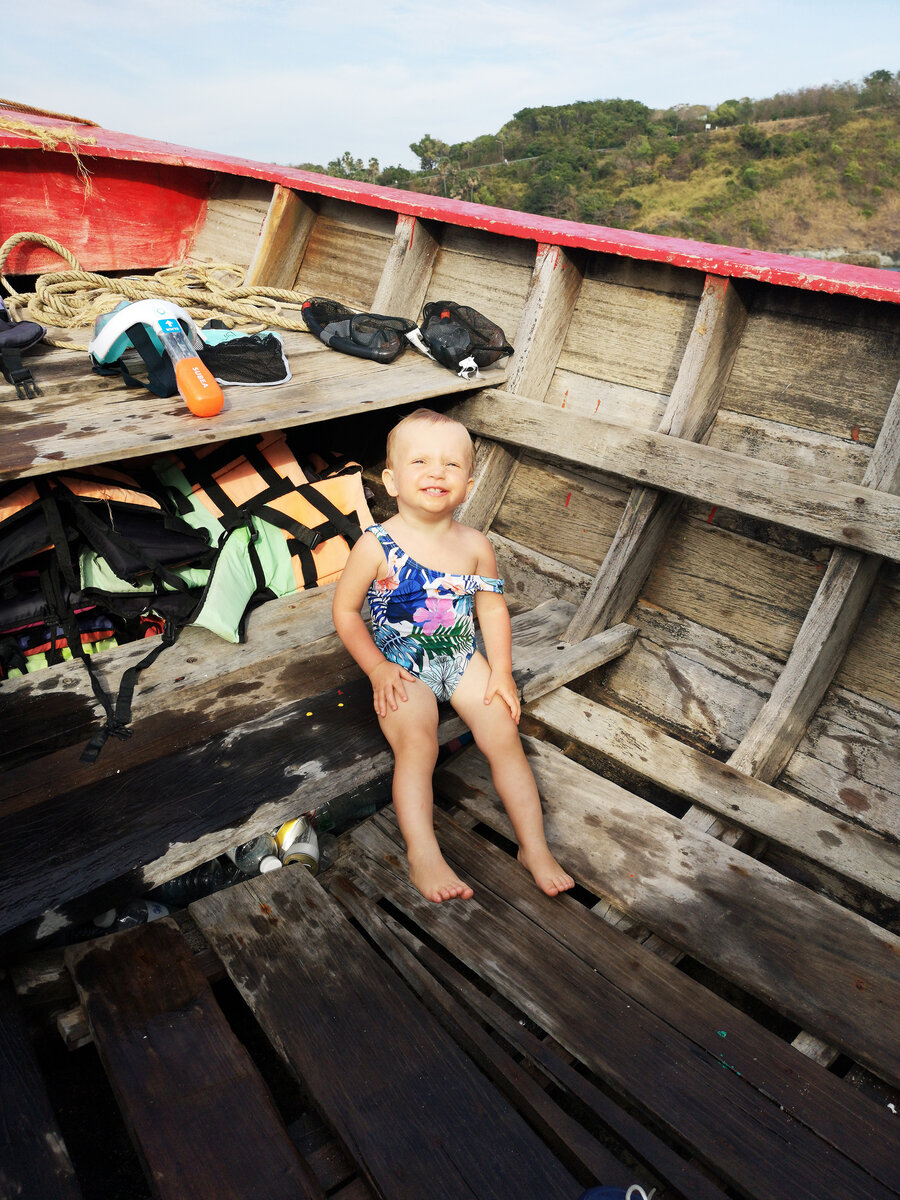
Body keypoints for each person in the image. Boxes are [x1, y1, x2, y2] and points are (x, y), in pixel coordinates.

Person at [332, 407, 575, 904]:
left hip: (461, 657)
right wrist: (378, 670)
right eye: (420, 461)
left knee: (503, 735)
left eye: (451, 465)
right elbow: (345, 611)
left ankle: (533, 847)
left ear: (467, 484)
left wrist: (501, 672)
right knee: (418, 746)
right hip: (403, 665)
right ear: (392, 481)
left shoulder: (475, 545)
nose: (436, 472)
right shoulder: (376, 544)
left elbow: (491, 610)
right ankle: (423, 852)